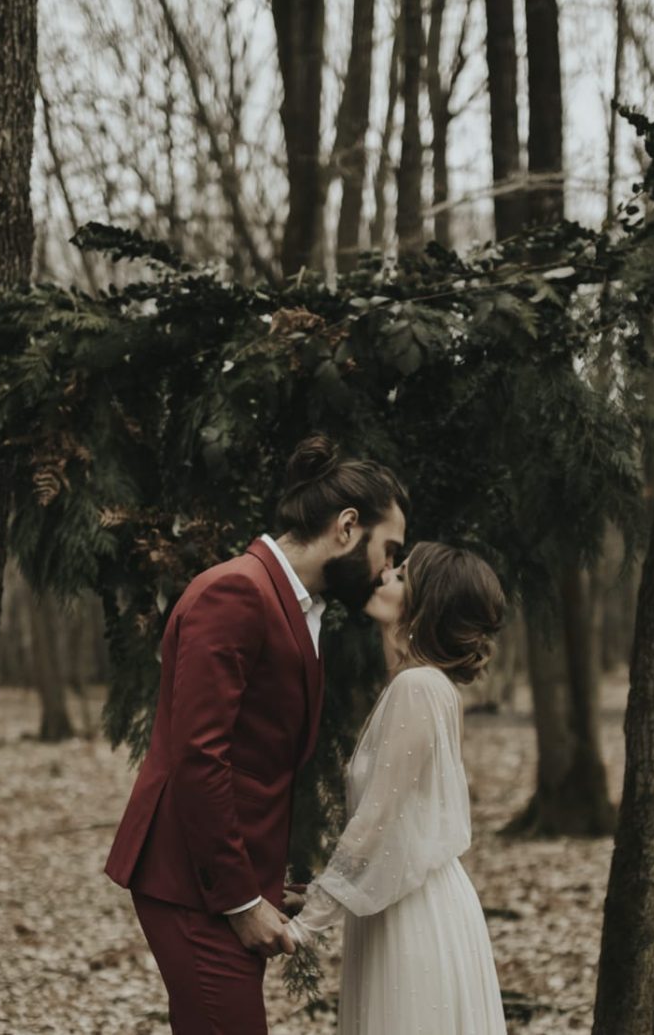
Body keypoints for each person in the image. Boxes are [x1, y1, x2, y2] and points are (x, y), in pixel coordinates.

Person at [104, 434, 408, 1035]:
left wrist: (267, 884)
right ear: (347, 527)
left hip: (221, 882)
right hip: (194, 887)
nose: (389, 570)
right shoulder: (235, 591)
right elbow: (199, 757)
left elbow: (253, 759)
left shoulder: (296, 606)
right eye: (389, 548)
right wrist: (241, 899)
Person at [286, 542, 508, 1035]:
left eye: (402, 576)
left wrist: (308, 925)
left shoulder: (420, 688)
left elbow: (376, 822)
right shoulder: (418, 686)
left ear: (427, 605)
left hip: (415, 913)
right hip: (397, 899)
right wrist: (318, 895)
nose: (385, 575)